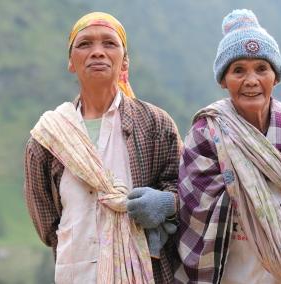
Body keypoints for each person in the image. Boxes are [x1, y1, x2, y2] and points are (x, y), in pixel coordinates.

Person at [176, 9, 281, 284]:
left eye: (261, 68)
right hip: (227, 270)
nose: (251, 80)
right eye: (238, 70)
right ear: (223, 80)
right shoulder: (205, 133)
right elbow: (193, 205)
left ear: (275, 76)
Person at [24, 12, 181, 284]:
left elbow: (186, 191)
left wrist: (166, 202)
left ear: (125, 61)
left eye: (109, 43)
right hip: (76, 274)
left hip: (144, 273)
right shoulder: (47, 139)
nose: (97, 52)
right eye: (84, 44)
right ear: (71, 62)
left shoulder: (155, 125)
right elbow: (49, 226)